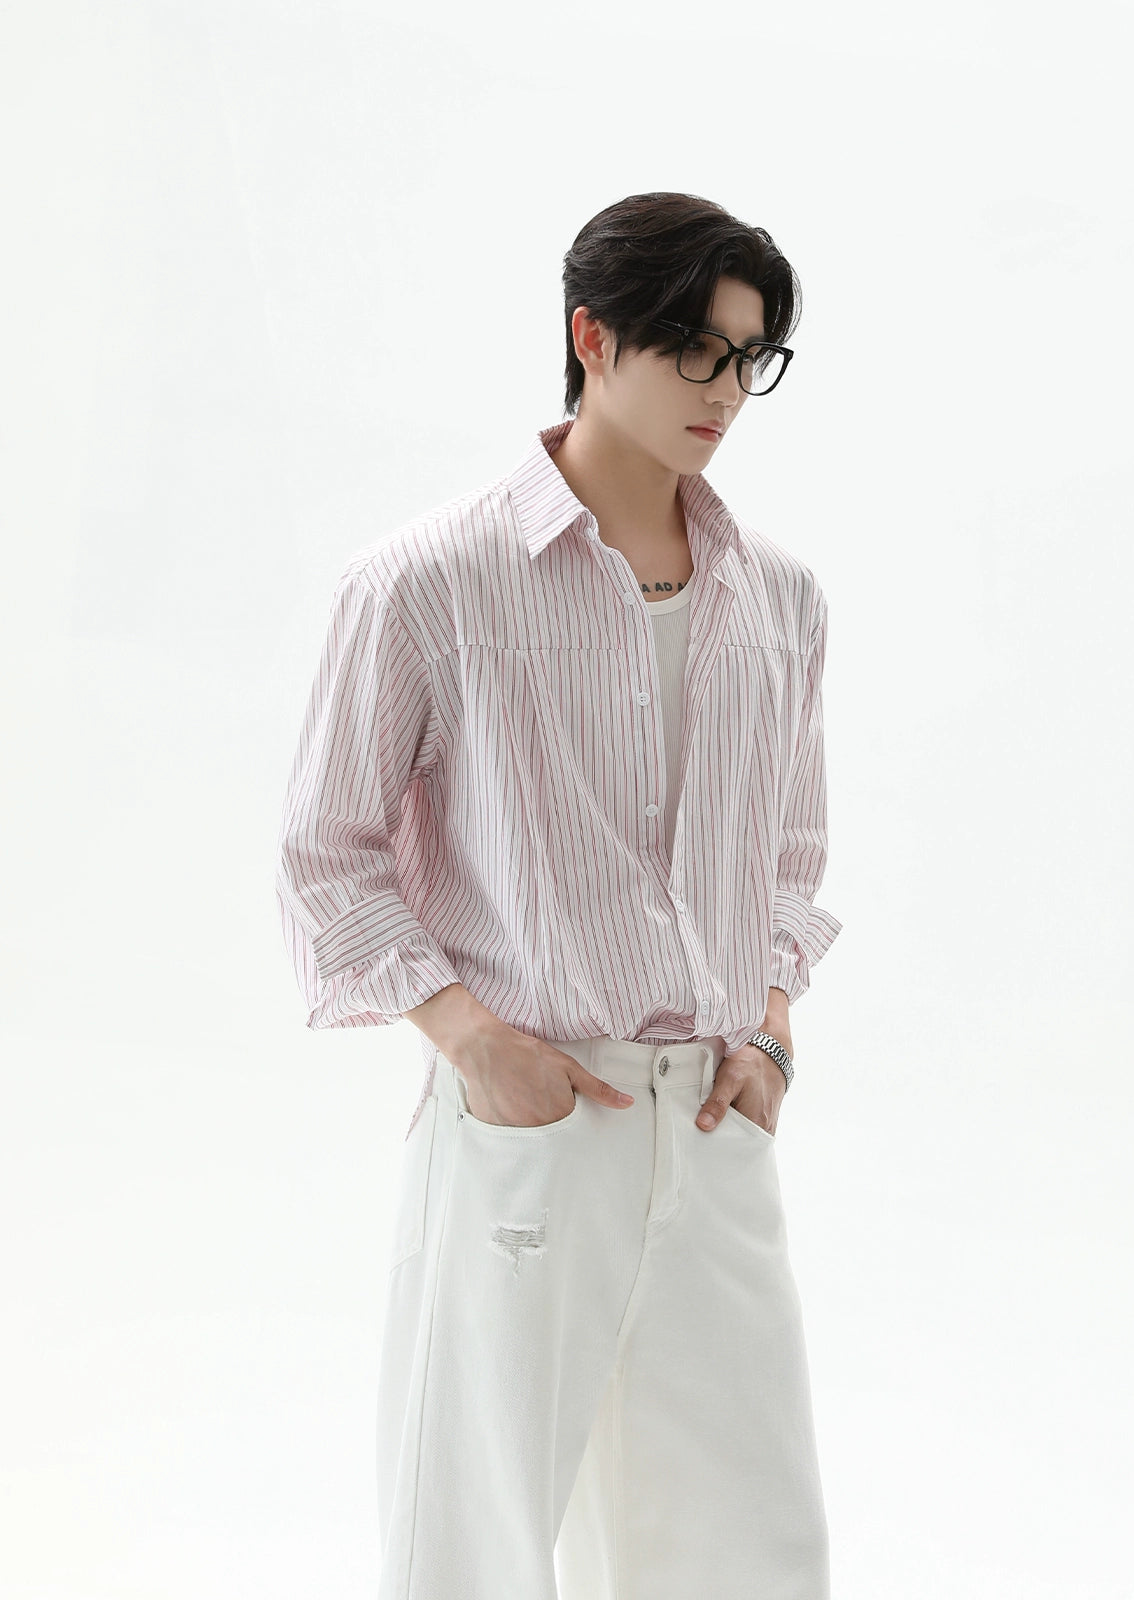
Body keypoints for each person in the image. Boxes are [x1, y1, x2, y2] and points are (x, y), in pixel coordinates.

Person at [275, 190, 842, 1600]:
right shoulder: (429, 582)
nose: (727, 390)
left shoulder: (779, 597)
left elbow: (789, 847)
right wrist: (472, 1041)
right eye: (696, 350)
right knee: (471, 1534)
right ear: (592, 337)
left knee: (750, 1546)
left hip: (711, 1122)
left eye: (751, 357)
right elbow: (324, 848)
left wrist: (771, 1028)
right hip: (532, 1119)